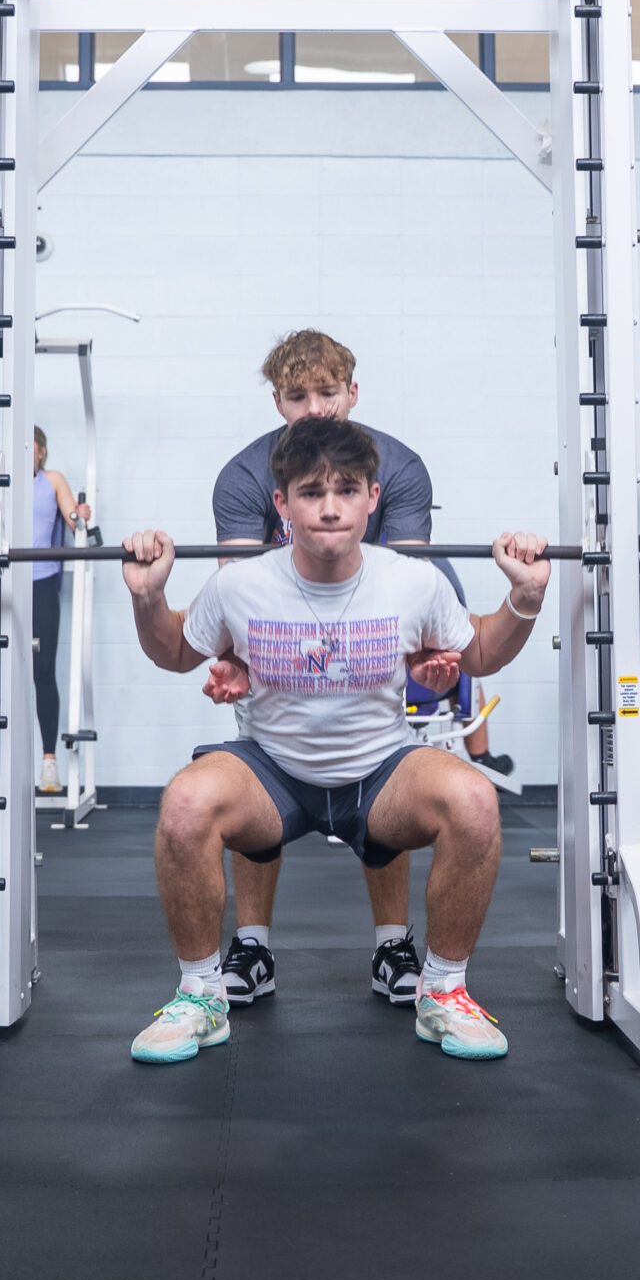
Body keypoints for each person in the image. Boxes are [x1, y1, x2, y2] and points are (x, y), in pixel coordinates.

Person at [120, 417, 548, 1065]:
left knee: (474, 801)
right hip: (273, 771)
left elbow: (480, 650)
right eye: (310, 492)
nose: (328, 508)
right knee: (184, 804)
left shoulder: (410, 580)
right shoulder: (242, 583)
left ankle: (444, 994)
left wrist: (525, 597)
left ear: (373, 499)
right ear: (281, 503)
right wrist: (149, 599)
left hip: (380, 771)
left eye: (346, 490)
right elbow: (177, 651)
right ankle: (201, 996)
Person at [208, 329, 506, 1013]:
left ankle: (393, 944)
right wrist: (244, 663)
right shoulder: (244, 476)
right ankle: (251, 945)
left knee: (383, 765)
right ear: (276, 400)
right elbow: (241, 595)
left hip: (373, 653)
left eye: (327, 391)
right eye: (296, 395)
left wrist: (413, 663)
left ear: (354, 392)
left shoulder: (399, 467)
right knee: (261, 770)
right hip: (276, 657)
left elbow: (406, 582)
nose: (313, 408)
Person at [31, 427, 88, 794]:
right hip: (1, 583)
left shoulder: (51, 480)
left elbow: (71, 515)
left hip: (40, 583)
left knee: (42, 670)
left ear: (41, 452)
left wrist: (78, 513)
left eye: (31, 448)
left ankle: (49, 763)